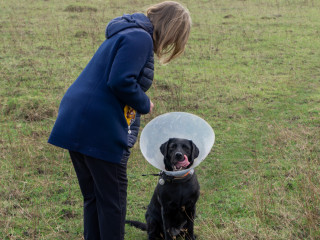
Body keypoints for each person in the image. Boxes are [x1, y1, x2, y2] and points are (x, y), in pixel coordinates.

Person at [48, 1, 192, 239]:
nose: (170, 45)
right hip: (97, 127)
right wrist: (145, 103)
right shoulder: (140, 38)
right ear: (170, 29)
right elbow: (120, 81)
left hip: (77, 120)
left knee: (94, 197)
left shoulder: (127, 32)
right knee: (113, 203)